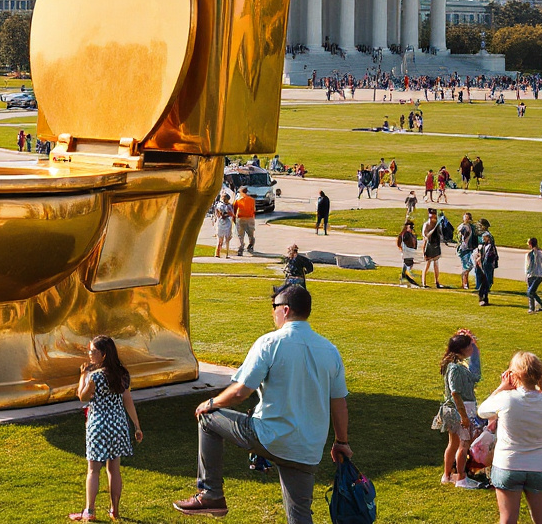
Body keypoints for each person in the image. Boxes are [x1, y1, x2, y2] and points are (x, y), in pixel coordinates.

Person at [173, 285, 350, 522]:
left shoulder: (270, 343)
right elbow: (339, 403)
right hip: (307, 450)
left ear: (285, 310)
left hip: (269, 437)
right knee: (300, 516)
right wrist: (341, 442)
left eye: (274, 307)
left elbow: (240, 393)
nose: (272, 313)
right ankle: (211, 494)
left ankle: (211, 494)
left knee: (208, 418)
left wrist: (211, 401)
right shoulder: (330, 351)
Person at [476, 352, 542, 524]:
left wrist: (501, 387)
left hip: (508, 464)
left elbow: (482, 411)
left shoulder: (505, 398)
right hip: (538, 466)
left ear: (513, 375)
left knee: (508, 519)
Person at [69, 335, 143, 522]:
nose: (89, 354)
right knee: (114, 469)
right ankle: (114, 510)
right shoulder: (122, 374)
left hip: (98, 424)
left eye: (93, 351)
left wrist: (83, 375)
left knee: (93, 470)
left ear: (103, 355)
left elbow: (83, 397)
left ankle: (90, 511)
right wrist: (136, 425)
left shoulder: (94, 376)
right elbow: (127, 400)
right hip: (118, 424)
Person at [431, 331, 482, 488]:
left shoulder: (453, 363)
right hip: (461, 409)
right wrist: (464, 416)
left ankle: (447, 476)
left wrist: (474, 346)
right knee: (463, 444)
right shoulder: (456, 368)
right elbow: (455, 392)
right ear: (462, 349)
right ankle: (461, 478)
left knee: (453, 444)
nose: (471, 348)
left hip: (453, 409)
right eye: (469, 346)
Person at [524, 238, 542, 314]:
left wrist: (527, 274)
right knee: (532, 292)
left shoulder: (531, 254)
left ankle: (541, 305)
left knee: (530, 292)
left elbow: (528, 266)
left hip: (534, 275)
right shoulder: (538, 253)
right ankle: (532, 308)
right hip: (537, 275)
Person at [421, 208, 445, 289]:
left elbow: (441, 234)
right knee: (427, 264)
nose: (432, 218)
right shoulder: (426, 224)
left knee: (436, 264)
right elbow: (425, 236)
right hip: (429, 245)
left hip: (436, 245)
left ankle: (437, 282)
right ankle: (424, 282)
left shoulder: (437, 224)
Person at [474, 231, 499, 307]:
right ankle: (482, 298)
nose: (483, 239)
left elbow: (494, 257)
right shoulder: (483, 246)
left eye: (485, 238)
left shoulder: (491, 247)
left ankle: (485, 298)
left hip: (488, 267)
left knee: (488, 282)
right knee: (483, 283)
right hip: (482, 267)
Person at [232, 187, 256, 256]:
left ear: (241, 192)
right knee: (251, 233)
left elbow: (234, 210)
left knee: (240, 235)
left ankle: (241, 247)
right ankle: (250, 245)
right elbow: (254, 209)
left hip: (241, 218)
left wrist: (234, 219)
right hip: (250, 218)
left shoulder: (238, 200)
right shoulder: (252, 200)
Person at [456, 212, 477, 290]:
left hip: (470, 248)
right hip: (464, 249)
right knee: (466, 266)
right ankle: (465, 283)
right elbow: (460, 234)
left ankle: (465, 282)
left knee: (469, 266)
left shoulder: (471, 227)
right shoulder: (463, 227)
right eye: (465, 218)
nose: (466, 220)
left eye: (467, 218)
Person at [398, 220, 421, 288]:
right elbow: (401, 241)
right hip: (407, 251)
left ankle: (404, 275)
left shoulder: (411, 234)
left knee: (409, 263)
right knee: (408, 263)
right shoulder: (405, 234)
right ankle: (406, 276)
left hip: (410, 251)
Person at [212, 193, 234, 259]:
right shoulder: (222, 205)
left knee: (224, 239)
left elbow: (230, 213)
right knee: (223, 239)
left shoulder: (220, 205)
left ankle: (221, 253)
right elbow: (229, 214)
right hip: (222, 222)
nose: (225, 200)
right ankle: (220, 253)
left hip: (223, 222)